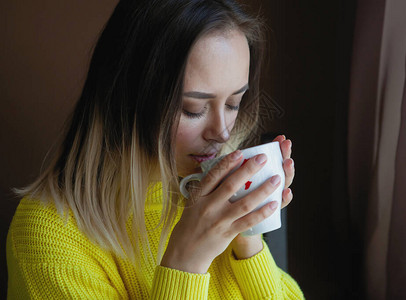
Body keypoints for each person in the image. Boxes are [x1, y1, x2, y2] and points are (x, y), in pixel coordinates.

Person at [6, 0, 304, 298]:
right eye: (193, 109)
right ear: (125, 101)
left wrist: (247, 235)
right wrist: (185, 263)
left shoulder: (206, 194)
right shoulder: (49, 234)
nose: (222, 132)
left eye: (233, 104)